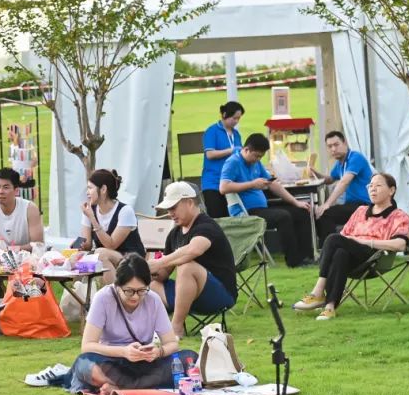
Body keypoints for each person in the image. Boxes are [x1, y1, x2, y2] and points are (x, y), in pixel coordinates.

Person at [24, 255, 196, 393]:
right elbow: (87, 346)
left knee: (189, 358)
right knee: (85, 364)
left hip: (144, 363)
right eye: (129, 291)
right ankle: (131, 386)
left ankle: (120, 387)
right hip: (110, 362)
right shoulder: (104, 298)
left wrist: (158, 352)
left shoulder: (153, 300)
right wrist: (124, 352)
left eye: (141, 290)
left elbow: (172, 343)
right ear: (117, 286)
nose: (136, 296)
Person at [293, 173, 409, 321]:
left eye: (378, 185)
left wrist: (367, 242)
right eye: (370, 186)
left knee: (333, 238)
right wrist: (352, 241)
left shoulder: (399, 216)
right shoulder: (360, 211)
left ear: (391, 190)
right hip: (353, 259)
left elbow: (400, 244)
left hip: (375, 258)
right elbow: (343, 238)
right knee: (340, 253)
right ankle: (329, 307)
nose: (373, 189)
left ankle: (318, 292)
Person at [148, 182, 237, 337]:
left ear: (189, 203)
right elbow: (164, 274)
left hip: (220, 295)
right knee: (147, 284)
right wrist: (147, 269)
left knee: (186, 266)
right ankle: (144, 326)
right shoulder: (174, 234)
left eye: (173, 207)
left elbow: (194, 250)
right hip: (187, 295)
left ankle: (176, 327)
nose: (170, 213)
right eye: (168, 209)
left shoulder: (207, 226)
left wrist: (160, 262)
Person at [220, 133, 314, 268]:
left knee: (301, 211)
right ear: (246, 149)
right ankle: (294, 261)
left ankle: (306, 256)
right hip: (247, 212)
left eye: (261, 157)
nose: (258, 159)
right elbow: (223, 187)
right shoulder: (233, 162)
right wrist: (252, 184)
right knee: (283, 217)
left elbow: (273, 184)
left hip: (263, 208)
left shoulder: (256, 163)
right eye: (256, 156)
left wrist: (295, 202)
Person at [0, 167, 44, 302]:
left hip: (25, 260)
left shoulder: (30, 208)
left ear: (16, 190)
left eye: (6, 187)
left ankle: (15, 306)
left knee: (30, 281)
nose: (0, 191)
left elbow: (38, 244)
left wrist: (16, 249)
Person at [77, 169, 145, 285]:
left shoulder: (125, 211)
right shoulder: (90, 210)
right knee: (76, 260)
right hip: (103, 259)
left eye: (90, 188)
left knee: (101, 254)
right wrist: (80, 245)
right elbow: (87, 244)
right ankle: (81, 295)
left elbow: (111, 245)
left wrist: (92, 219)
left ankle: (116, 294)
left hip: (131, 262)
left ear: (103, 189)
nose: (87, 192)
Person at [313, 131, 374, 244]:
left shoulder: (355, 158)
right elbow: (329, 179)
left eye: (336, 145)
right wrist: (314, 172)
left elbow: (344, 182)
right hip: (352, 205)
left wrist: (327, 204)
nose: (333, 149)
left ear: (345, 143)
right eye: (330, 146)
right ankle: (328, 246)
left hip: (365, 205)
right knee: (317, 214)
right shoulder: (340, 163)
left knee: (325, 214)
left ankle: (329, 247)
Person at [201, 101, 245, 218]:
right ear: (224, 114)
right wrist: (231, 150)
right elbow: (210, 154)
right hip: (213, 183)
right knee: (218, 218)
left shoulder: (236, 134)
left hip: (231, 183)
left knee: (233, 217)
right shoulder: (212, 131)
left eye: (238, 119)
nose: (236, 121)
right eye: (234, 118)